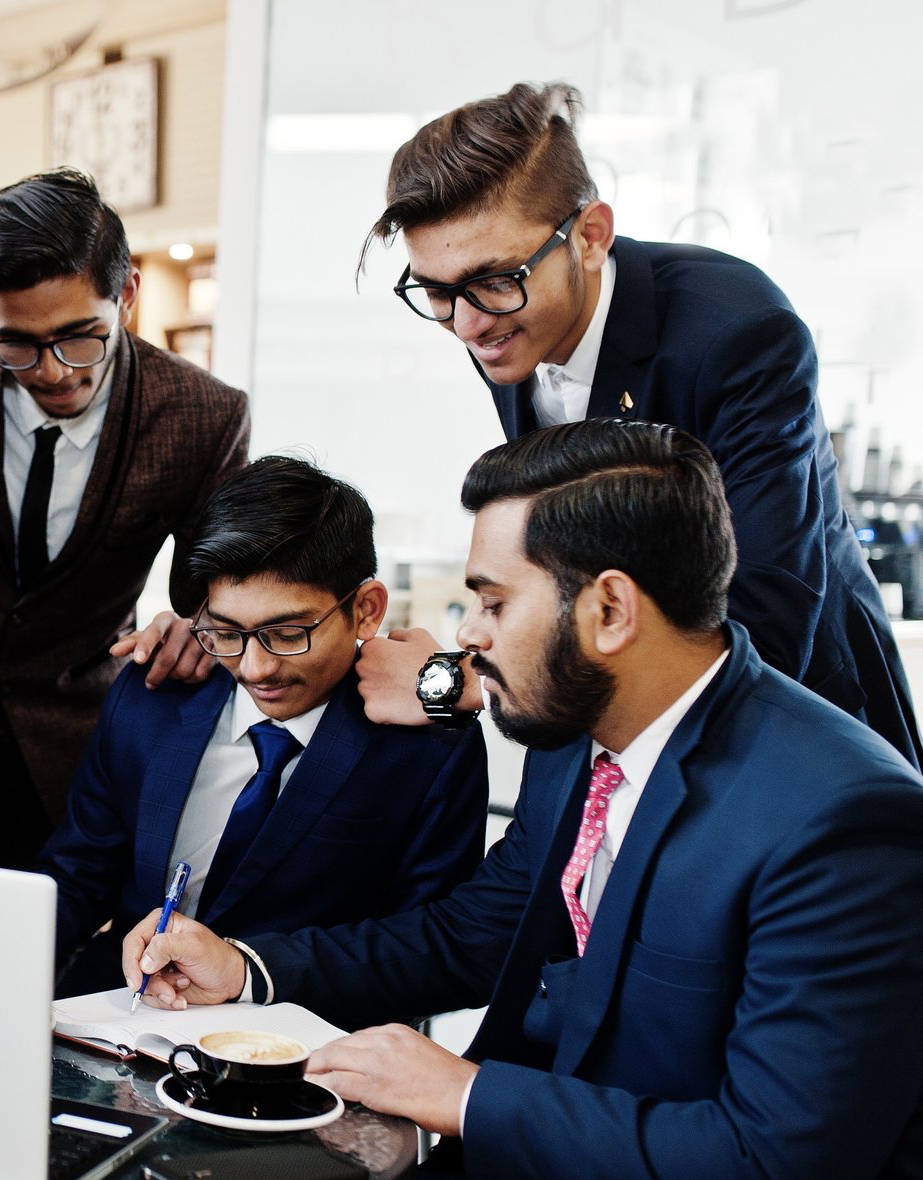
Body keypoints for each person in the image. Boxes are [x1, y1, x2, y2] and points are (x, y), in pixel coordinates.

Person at [125, 421, 923, 1180]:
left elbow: (771, 1176)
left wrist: (468, 1096)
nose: (468, 636)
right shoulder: (576, 743)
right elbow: (469, 936)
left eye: (494, 602)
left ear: (609, 611)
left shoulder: (842, 819)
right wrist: (246, 967)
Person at [352, 81, 921, 769]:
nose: (467, 324)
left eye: (496, 280)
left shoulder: (739, 334)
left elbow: (764, 613)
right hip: (616, 722)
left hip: (792, 719)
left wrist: (461, 682)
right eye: (436, 291)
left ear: (591, 236)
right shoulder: (508, 324)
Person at [40, 456, 485, 994]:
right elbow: (78, 877)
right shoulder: (152, 694)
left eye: (288, 633)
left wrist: (249, 973)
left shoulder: (430, 745)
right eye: (227, 632)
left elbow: (434, 946)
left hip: (303, 1026)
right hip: (119, 1005)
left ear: (366, 610)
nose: (255, 668)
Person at [0, 169, 250, 869]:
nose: (53, 371)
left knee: (53, 934)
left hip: (75, 740)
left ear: (127, 296)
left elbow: (217, 591)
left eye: (80, 336)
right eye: (17, 343)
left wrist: (200, 625)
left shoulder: (203, 415)